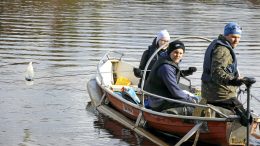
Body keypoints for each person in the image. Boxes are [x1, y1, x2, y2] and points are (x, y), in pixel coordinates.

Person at [201, 22, 251, 126]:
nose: (236, 40)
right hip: (220, 95)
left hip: (209, 92)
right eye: (233, 37)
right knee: (247, 118)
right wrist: (235, 81)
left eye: (238, 37)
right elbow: (217, 73)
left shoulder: (216, 43)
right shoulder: (223, 50)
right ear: (226, 35)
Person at [144, 40, 199, 112]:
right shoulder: (166, 67)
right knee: (192, 104)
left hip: (160, 97)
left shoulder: (167, 60)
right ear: (170, 52)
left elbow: (173, 75)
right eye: (175, 52)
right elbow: (175, 92)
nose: (178, 55)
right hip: (158, 102)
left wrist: (188, 72)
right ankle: (173, 114)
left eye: (180, 53)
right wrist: (191, 100)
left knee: (190, 98)